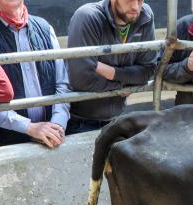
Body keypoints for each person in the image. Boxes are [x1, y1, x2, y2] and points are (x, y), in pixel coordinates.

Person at [66, 0, 157, 132]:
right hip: (79, 120)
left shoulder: (145, 15)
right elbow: (82, 80)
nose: (135, 7)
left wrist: (110, 71)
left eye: (140, 0)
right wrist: (124, 86)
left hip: (117, 118)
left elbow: (148, 70)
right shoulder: (88, 16)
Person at [0, 0, 70, 148]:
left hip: (51, 140)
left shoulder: (45, 28)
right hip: (6, 145)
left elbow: (62, 85)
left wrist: (58, 124)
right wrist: (29, 127)